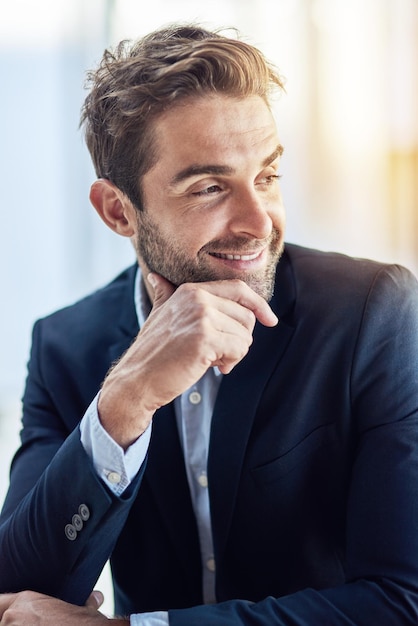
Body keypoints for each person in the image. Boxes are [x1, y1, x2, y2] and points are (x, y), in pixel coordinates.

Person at [1, 22, 418, 626]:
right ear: (119, 210)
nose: (258, 221)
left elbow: (401, 601)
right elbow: (17, 596)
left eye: (267, 177)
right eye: (209, 187)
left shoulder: (373, 314)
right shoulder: (65, 346)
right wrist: (124, 400)